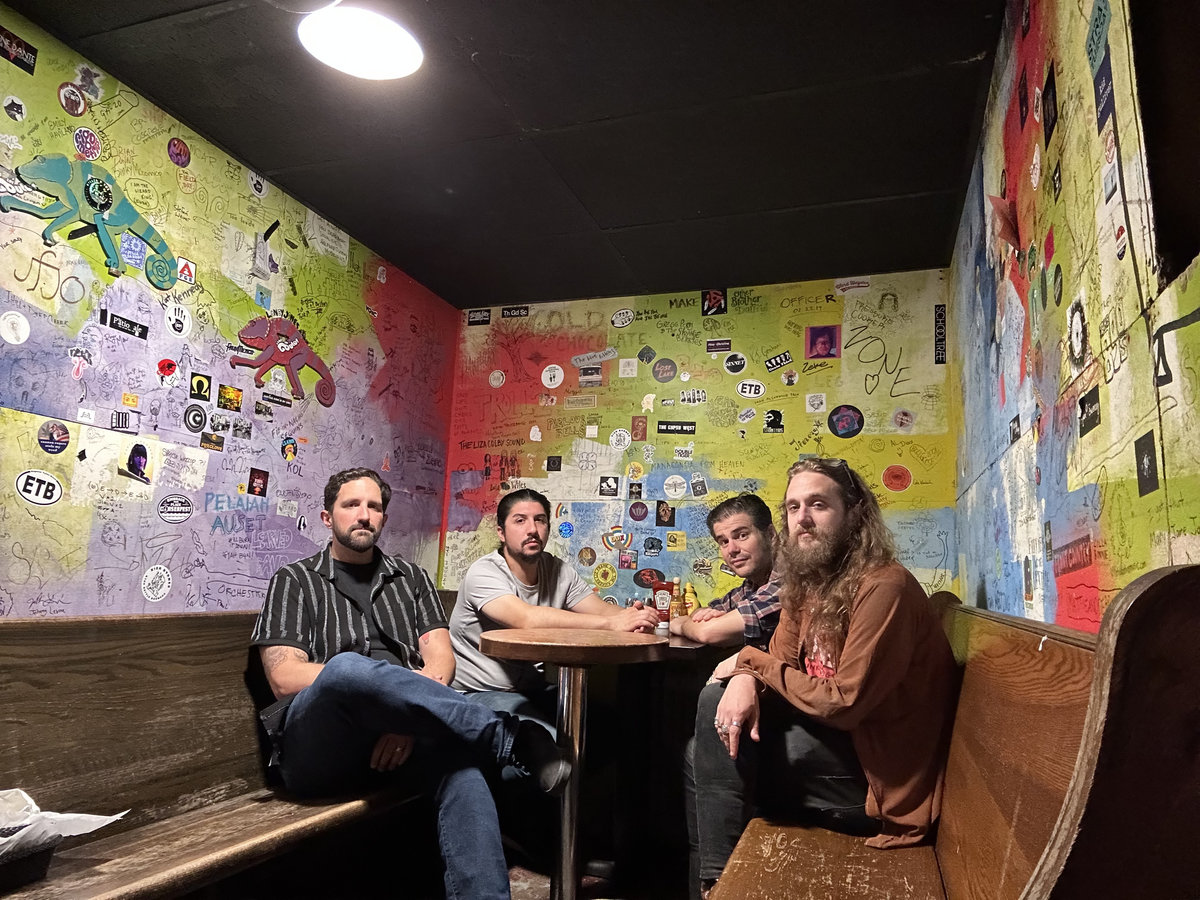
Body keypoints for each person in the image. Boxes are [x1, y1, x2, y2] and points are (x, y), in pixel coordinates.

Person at [249, 469, 570, 900]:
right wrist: (395, 702)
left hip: (405, 738)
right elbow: (284, 677)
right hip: (320, 745)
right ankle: (505, 736)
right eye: (351, 505)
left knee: (463, 770)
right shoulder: (294, 580)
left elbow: (441, 660)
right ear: (328, 517)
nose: (364, 515)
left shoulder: (411, 578)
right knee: (346, 669)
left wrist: (407, 717)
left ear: (383, 517)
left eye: (374, 507)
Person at [685, 458, 957, 899]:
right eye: (793, 507)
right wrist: (746, 675)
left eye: (818, 505)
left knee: (715, 752)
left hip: (880, 778)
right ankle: (714, 883)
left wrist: (749, 663)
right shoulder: (810, 583)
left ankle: (716, 885)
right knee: (710, 724)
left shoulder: (883, 586)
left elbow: (843, 704)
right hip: (841, 748)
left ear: (854, 512)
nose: (803, 519)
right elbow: (778, 657)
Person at [449, 487, 658, 712]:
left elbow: (601, 610)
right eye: (520, 521)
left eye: (540, 520)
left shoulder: (556, 569)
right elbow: (526, 619)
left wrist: (640, 617)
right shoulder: (484, 572)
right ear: (501, 533)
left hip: (531, 690)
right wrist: (611, 624)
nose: (532, 529)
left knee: (611, 720)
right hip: (477, 692)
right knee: (543, 731)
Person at [669, 494, 781, 649]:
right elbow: (708, 610)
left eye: (742, 535)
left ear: (770, 534)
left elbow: (707, 632)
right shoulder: (752, 584)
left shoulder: (790, 579)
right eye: (724, 541)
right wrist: (702, 617)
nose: (732, 550)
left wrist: (681, 625)